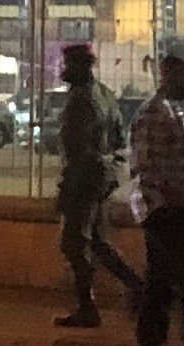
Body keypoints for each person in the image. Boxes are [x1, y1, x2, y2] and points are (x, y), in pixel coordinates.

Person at [128, 40, 184, 346]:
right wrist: (167, 205)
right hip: (164, 209)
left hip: (167, 208)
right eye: (183, 75)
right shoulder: (154, 115)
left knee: (161, 280)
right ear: (168, 75)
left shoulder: (170, 113)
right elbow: (145, 167)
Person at [51, 39, 138, 329]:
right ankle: (139, 287)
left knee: (74, 243)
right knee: (99, 242)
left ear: (79, 67)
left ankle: (88, 307)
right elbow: (118, 139)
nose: (64, 69)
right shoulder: (105, 94)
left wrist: (67, 190)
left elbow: (77, 151)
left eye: (68, 64)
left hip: (84, 178)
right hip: (103, 177)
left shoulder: (80, 100)